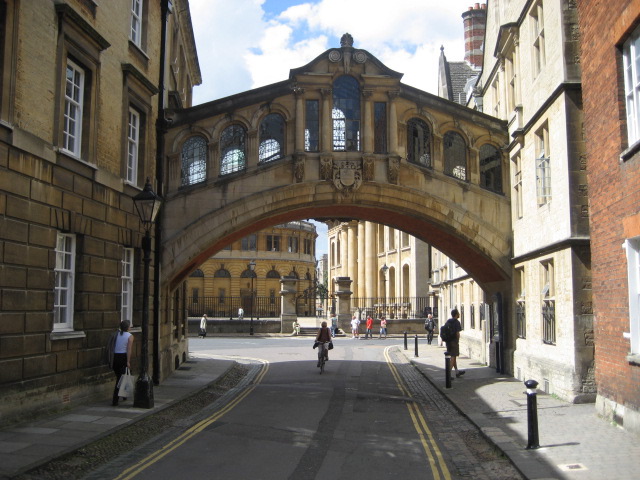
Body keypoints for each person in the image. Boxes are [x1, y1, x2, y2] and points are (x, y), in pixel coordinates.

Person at [110, 320, 133, 406]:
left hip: (115, 357)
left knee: (121, 376)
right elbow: (129, 349)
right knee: (121, 378)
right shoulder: (130, 336)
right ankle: (115, 399)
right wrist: (128, 361)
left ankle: (124, 395)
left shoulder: (117, 334)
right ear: (127, 327)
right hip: (123, 357)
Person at [444, 309, 465, 378]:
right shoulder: (456, 322)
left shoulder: (448, 321)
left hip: (448, 341)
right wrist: (457, 341)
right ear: (456, 314)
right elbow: (457, 333)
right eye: (458, 313)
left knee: (453, 356)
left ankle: (457, 372)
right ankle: (448, 374)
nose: (459, 314)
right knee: (453, 357)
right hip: (454, 342)